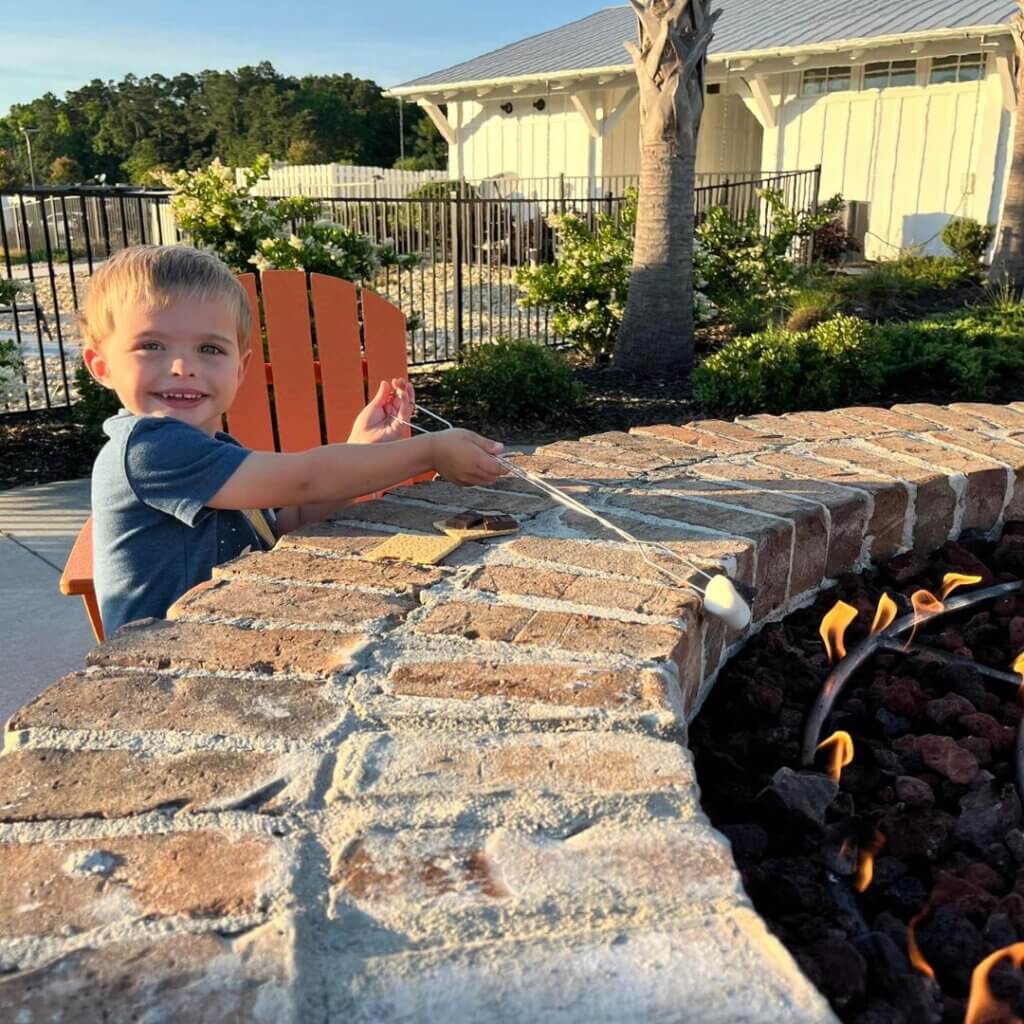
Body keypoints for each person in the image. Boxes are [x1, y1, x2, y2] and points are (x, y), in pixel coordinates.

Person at [81, 245, 506, 635]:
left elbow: (289, 520)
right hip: (166, 659)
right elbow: (305, 479)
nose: (182, 366)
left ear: (240, 369)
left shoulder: (219, 452)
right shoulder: (148, 449)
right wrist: (428, 452)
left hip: (230, 632)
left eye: (210, 349)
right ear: (102, 366)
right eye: (151, 345)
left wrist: (363, 451)